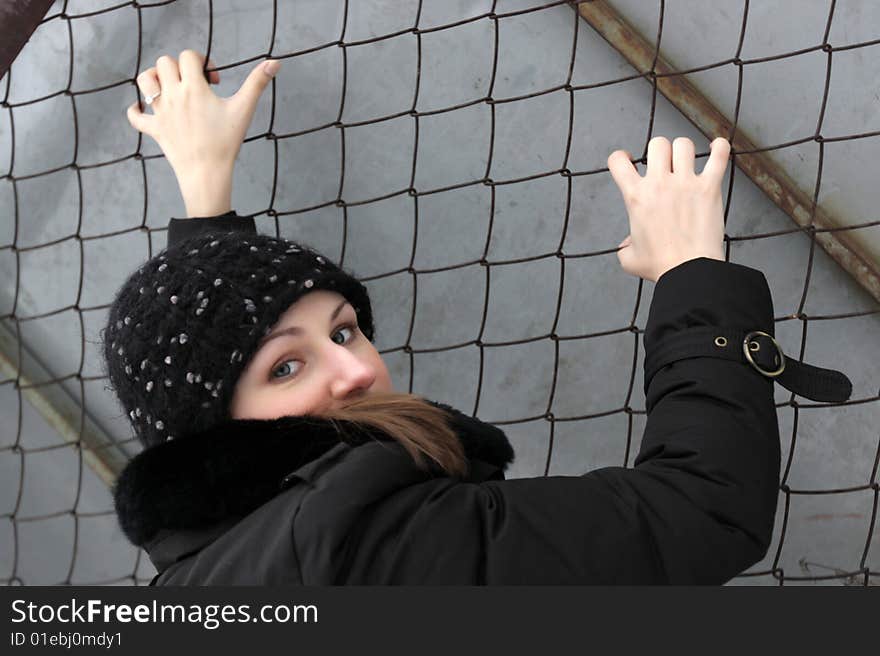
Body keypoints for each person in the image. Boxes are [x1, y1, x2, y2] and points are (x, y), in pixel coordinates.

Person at [103, 50, 851, 585]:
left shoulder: (200, 547)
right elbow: (698, 515)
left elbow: (200, 383)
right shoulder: (384, 549)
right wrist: (693, 271)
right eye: (288, 367)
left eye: (343, 330)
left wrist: (205, 187)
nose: (360, 368)